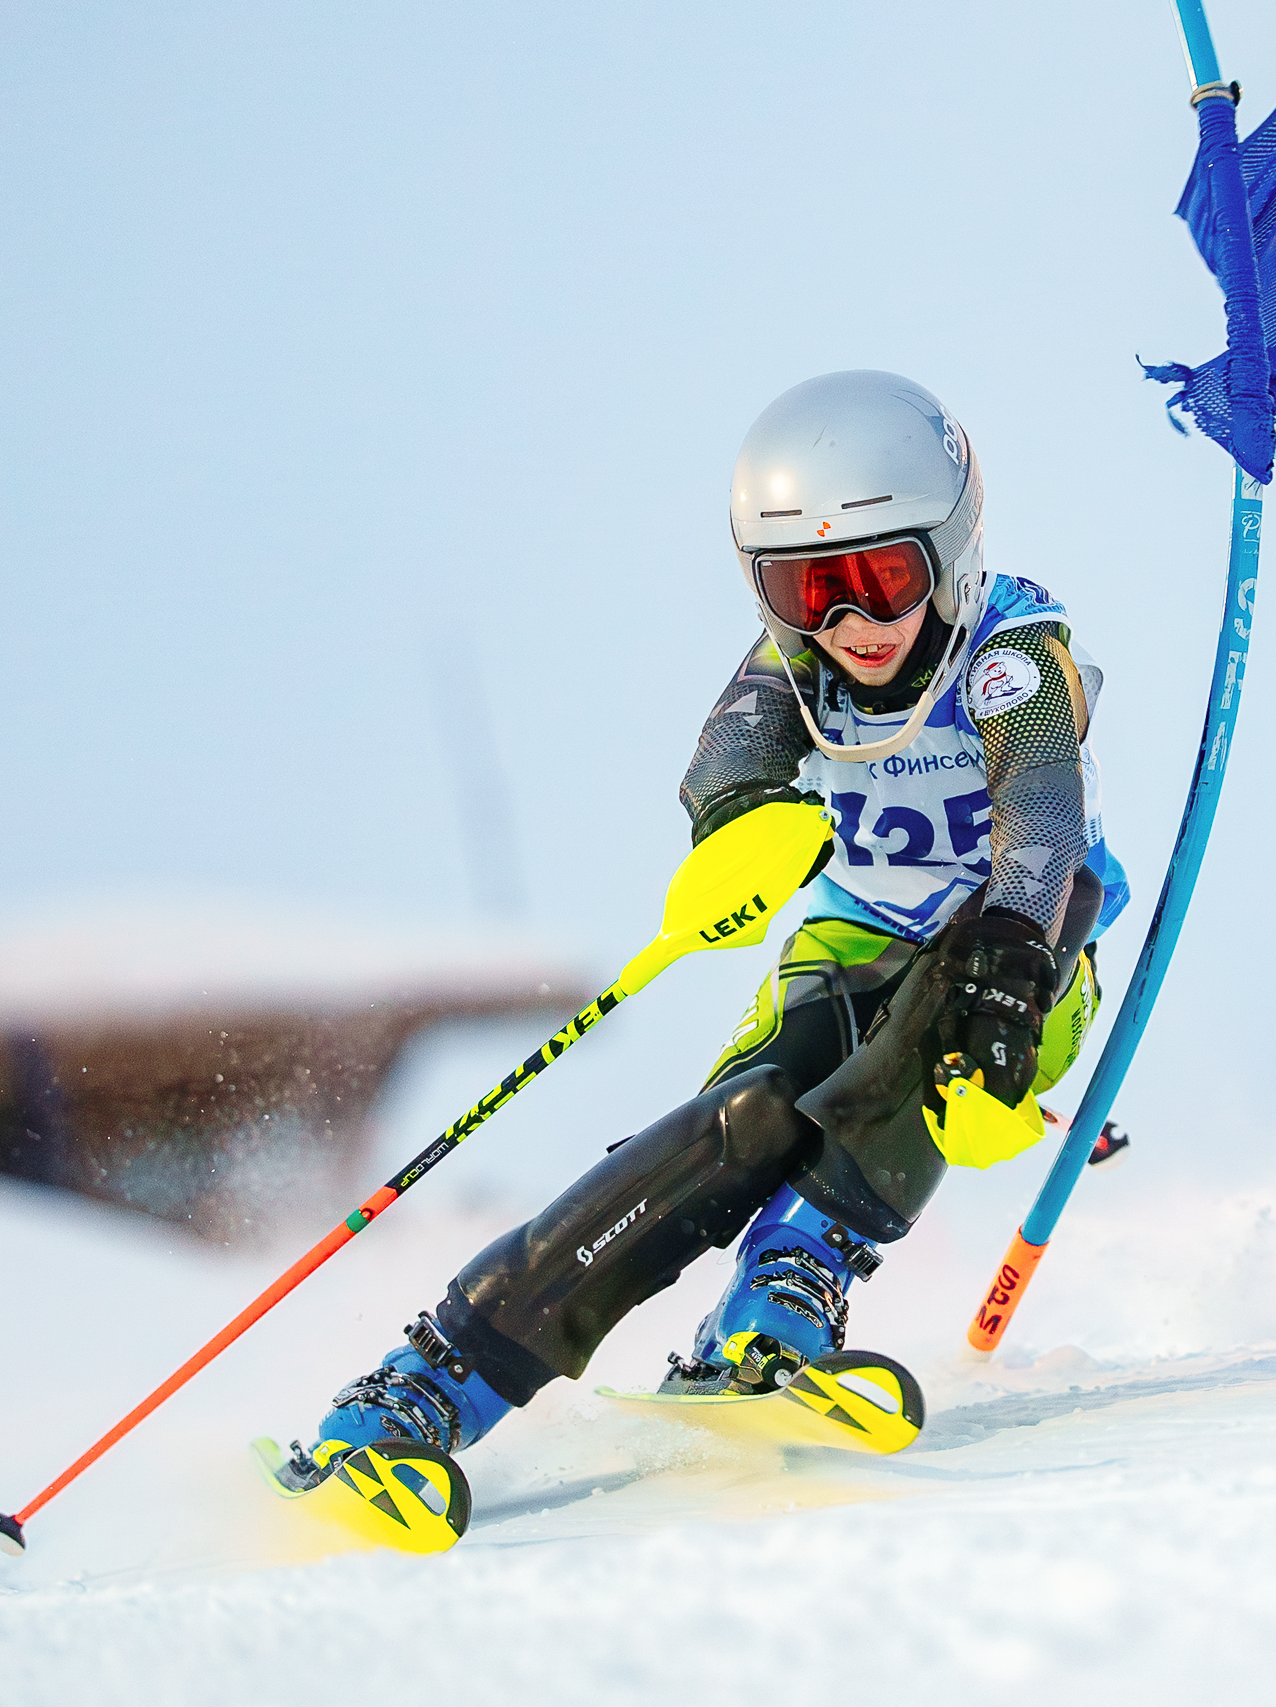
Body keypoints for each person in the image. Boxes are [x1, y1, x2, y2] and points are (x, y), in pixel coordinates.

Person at [271, 371, 1128, 1484]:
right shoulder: (795, 664)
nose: (850, 622)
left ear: (952, 551)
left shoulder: (1014, 657)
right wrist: (746, 830)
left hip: (1020, 955)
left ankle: (788, 1283)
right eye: (805, 589)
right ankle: (441, 1374)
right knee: (747, 1118)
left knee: (938, 1015)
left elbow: (1043, 822)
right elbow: (726, 767)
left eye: (879, 577)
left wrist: (1013, 963)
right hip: (854, 930)